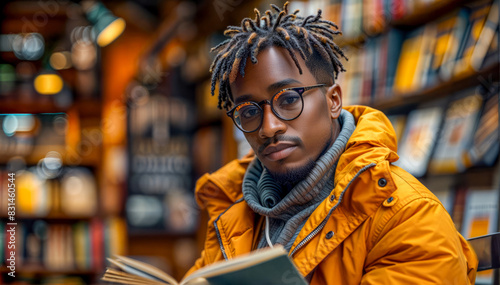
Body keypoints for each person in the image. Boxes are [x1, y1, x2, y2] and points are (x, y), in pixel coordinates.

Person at [185, 2, 478, 284]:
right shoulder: (232, 209)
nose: (268, 127)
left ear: (333, 100)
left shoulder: (409, 217)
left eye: (288, 99)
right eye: (249, 111)